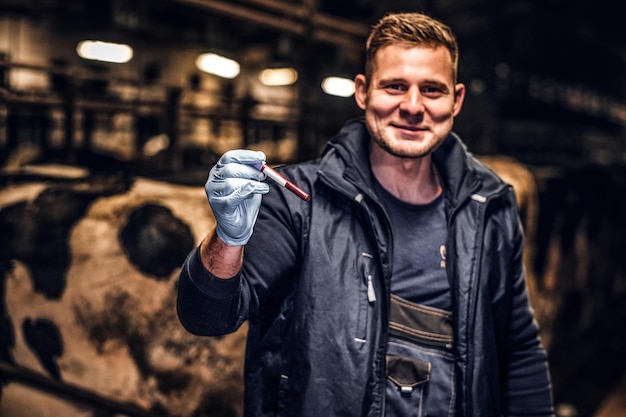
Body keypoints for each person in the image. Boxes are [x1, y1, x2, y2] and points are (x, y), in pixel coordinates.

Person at [177, 11, 555, 417]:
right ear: (362, 92)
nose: (413, 107)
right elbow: (206, 317)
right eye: (394, 86)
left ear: (457, 100)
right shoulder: (299, 201)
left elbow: (515, 346)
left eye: (432, 89)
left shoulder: (490, 207)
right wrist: (228, 239)